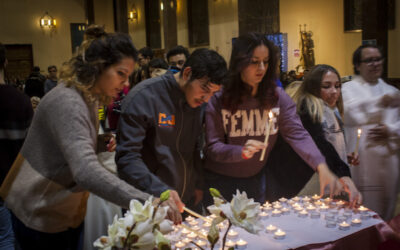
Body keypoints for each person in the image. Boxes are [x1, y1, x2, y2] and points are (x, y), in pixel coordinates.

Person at [0, 26, 181, 250]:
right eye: (121, 74)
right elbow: (85, 171)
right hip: (40, 211)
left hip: (62, 208)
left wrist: (97, 142)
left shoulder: (90, 97)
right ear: (97, 68)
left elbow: (65, 144)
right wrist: (149, 201)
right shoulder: (69, 101)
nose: (126, 84)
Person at [203, 32, 343, 205]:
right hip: (220, 180)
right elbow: (212, 147)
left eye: (266, 61)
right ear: (240, 62)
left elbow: (297, 133)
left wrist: (321, 166)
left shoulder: (276, 97)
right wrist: (240, 152)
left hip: (255, 178)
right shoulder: (220, 98)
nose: (261, 68)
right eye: (254, 62)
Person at [116, 48, 228, 212]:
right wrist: (160, 191)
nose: (207, 98)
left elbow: (195, 146)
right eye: (205, 89)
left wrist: (197, 184)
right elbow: (127, 159)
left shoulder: (198, 102)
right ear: (187, 73)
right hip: (150, 203)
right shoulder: (145, 97)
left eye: (213, 93)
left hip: (186, 203)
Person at [280, 64, 361, 205]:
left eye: (337, 86)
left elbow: (329, 140)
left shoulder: (331, 109)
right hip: (312, 180)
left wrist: (343, 155)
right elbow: (319, 143)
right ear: (313, 86)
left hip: (331, 174)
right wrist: (343, 173)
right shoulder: (308, 106)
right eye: (327, 86)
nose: (334, 91)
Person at [342, 44, 400, 220]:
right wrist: (380, 102)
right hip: (362, 158)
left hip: (389, 158)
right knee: (362, 205)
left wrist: (390, 130)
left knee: (387, 203)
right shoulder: (347, 89)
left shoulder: (393, 91)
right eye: (369, 60)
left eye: (378, 59)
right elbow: (351, 113)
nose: (375, 64)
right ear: (358, 65)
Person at [0, 43, 33, 250]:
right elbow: (30, 151)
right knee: (7, 240)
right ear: (5, 62)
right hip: (9, 187)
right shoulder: (20, 101)